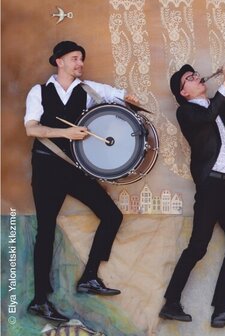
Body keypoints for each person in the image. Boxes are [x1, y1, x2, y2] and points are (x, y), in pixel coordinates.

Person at [24, 41, 132, 322]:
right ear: (59, 61)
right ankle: (39, 301)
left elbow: (117, 96)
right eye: (74, 58)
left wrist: (128, 99)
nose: (80, 63)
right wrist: (65, 133)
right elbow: (31, 128)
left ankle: (89, 277)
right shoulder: (39, 91)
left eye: (81, 59)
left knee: (112, 215)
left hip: (73, 169)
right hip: (46, 167)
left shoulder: (87, 90)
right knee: (46, 230)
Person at [159, 61, 225, 328]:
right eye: (190, 78)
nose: (197, 77)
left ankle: (222, 310)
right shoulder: (186, 112)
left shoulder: (217, 105)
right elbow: (207, 116)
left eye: (195, 74)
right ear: (184, 92)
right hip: (211, 186)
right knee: (198, 247)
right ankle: (171, 303)